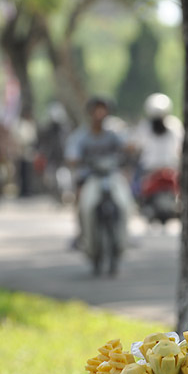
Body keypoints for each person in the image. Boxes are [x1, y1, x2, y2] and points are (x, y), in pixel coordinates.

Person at [64, 97, 133, 271]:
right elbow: (72, 155)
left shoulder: (114, 134)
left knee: (125, 203)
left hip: (111, 176)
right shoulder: (81, 136)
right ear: (90, 113)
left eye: (103, 110)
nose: (99, 114)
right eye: (96, 109)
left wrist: (132, 148)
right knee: (85, 206)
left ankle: (124, 237)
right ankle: (84, 238)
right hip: (91, 178)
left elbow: (128, 146)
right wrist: (76, 160)